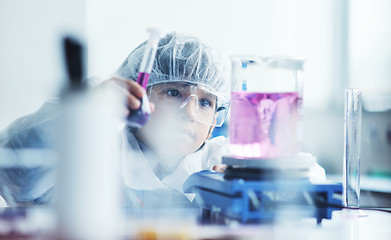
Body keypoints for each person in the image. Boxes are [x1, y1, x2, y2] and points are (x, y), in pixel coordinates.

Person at [0, 32, 232, 207]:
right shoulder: (94, 153)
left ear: (215, 121)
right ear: (137, 93)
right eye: (173, 93)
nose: (190, 114)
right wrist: (83, 113)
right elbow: (11, 177)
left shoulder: (221, 164)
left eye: (205, 102)